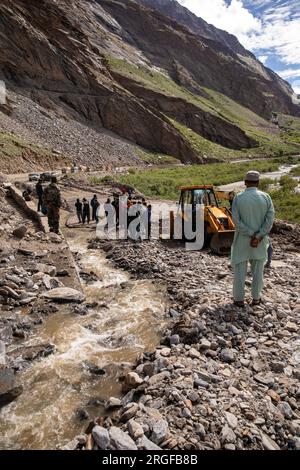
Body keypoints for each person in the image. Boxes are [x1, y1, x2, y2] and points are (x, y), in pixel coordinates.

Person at [231, 171, 275, 307]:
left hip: (242, 241)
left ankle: (239, 300)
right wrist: (258, 235)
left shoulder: (238, 198)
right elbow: (270, 219)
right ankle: (256, 299)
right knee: (258, 272)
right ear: (258, 182)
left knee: (239, 271)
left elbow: (236, 221)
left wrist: (250, 234)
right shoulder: (266, 197)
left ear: (245, 182)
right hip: (260, 242)